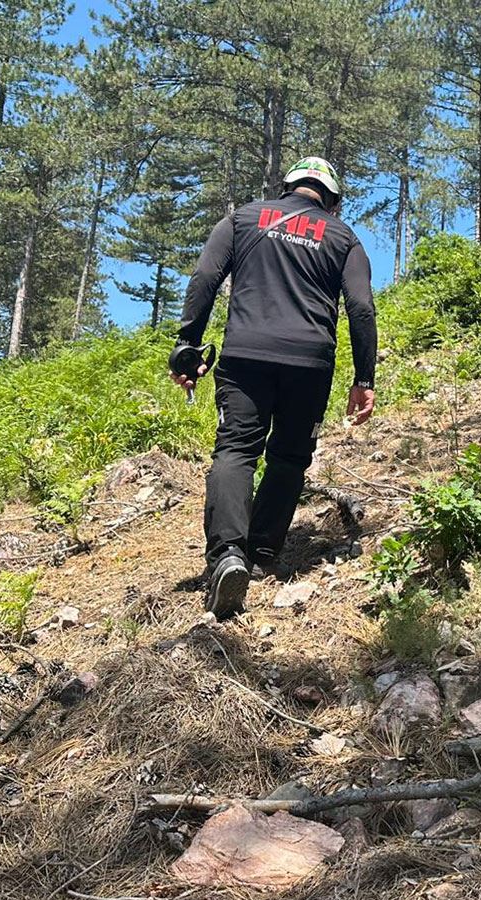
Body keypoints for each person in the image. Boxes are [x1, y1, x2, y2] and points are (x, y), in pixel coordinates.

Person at [170, 157, 377, 617]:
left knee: (236, 450)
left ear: (286, 187)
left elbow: (205, 278)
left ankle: (227, 555)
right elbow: (361, 309)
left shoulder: (242, 218)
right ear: (332, 199)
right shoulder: (344, 238)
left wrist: (188, 343)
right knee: (290, 455)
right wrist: (363, 380)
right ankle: (262, 552)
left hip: (245, 355)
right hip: (309, 363)